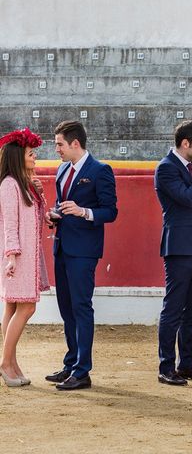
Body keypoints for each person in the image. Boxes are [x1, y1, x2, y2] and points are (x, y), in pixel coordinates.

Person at [45, 120, 118, 390]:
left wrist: (84, 212)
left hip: (84, 251)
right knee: (66, 307)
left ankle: (82, 370)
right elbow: (61, 206)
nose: (57, 150)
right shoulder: (62, 170)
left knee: (81, 307)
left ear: (75, 143)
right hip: (62, 246)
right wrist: (55, 215)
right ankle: (71, 363)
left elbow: (110, 211)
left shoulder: (100, 171)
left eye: (60, 144)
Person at [155, 120, 192, 386]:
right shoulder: (166, 168)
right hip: (179, 246)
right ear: (185, 143)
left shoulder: (191, 167)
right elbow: (188, 199)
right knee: (174, 308)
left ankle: (186, 363)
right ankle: (166, 366)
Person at [0, 128, 49, 387]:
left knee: (13, 307)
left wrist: (39, 192)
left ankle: (11, 362)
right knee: (26, 306)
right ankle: (6, 363)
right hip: (17, 258)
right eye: (31, 154)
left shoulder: (22, 184)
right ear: (19, 157)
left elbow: (38, 218)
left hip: (22, 256)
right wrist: (11, 256)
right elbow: (10, 224)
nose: (34, 158)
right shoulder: (9, 185)